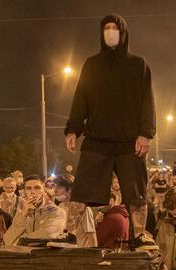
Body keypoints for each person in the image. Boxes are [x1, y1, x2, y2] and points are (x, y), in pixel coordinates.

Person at [65, 14, 156, 240]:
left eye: (115, 27)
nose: (110, 31)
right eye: (106, 27)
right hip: (97, 139)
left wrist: (146, 134)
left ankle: (140, 236)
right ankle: (68, 234)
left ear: (123, 32)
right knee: (81, 190)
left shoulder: (138, 64)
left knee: (136, 194)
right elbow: (81, 98)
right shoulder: (91, 64)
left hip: (129, 141)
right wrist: (72, 129)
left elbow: (148, 101)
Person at [3, 176, 67, 247]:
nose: (32, 192)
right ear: (25, 192)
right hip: (24, 256)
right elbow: (7, 240)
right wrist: (23, 214)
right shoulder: (22, 213)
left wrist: (22, 239)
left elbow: (49, 233)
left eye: (37, 188)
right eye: (28, 188)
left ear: (43, 190)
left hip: (45, 256)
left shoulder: (56, 211)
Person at [53, 174, 97, 247]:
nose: (55, 191)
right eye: (55, 187)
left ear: (70, 189)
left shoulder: (83, 209)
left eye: (59, 187)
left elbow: (92, 236)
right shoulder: (60, 207)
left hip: (79, 255)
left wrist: (94, 256)